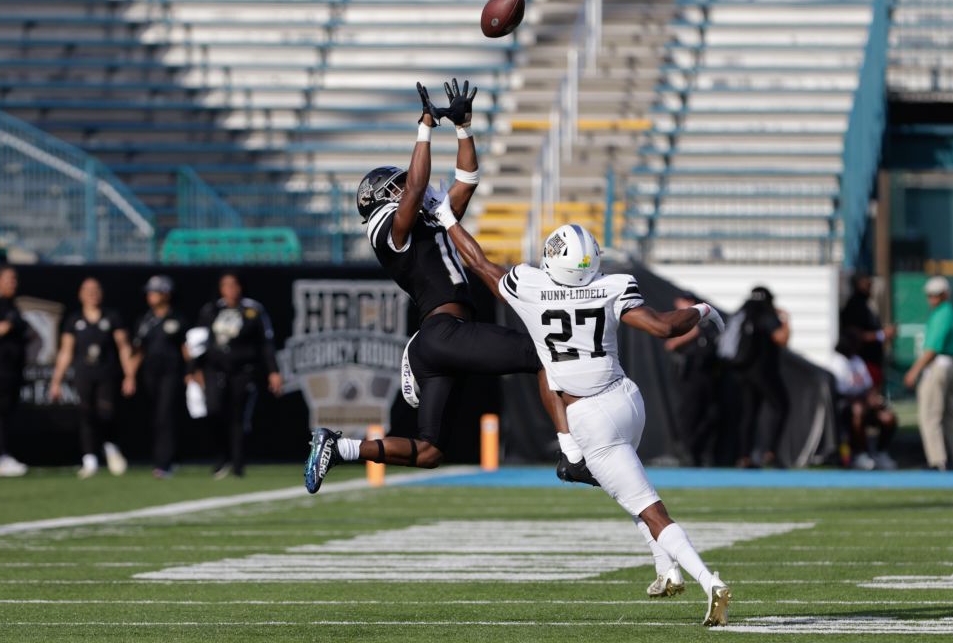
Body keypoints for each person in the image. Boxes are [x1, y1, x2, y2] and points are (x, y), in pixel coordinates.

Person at [438, 216, 732, 626]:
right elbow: (664, 327)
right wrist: (701, 310)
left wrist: (449, 220)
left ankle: (709, 581)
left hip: (589, 416)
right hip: (627, 399)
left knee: (648, 507)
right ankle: (666, 571)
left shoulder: (530, 286)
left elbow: (479, 263)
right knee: (631, 490)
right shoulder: (612, 286)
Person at [305, 79, 595, 492]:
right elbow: (417, 188)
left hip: (438, 341)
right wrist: (425, 126)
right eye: (396, 188)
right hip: (446, 332)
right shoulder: (389, 230)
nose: (405, 187)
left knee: (430, 452)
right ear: (378, 202)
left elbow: (467, 180)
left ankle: (340, 446)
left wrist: (463, 128)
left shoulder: (426, 220)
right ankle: (571, 454)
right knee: (545, 354)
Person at [192, 272, 283, 479]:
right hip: (215, 370)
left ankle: (238, 463)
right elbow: (198, 342)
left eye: (234, 285)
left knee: (238, 417)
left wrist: (273, 371)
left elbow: (266, 343)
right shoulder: (211, 309)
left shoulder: (253, 310)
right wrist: (193, 369)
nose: (231, 290)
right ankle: (222, 455)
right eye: (226, 285)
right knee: (213, 410)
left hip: (243, 371)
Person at [48, 277, 135, 478]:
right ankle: (90, 459)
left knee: (106, 412)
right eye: (87, 290)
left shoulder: (112, 317)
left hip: (107, 374)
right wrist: (56, 381)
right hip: (83, 374)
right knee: (86, 415)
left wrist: (129, 375)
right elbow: (66, 352)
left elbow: (124, 348)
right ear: (80, 294)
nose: (92, 293)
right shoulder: (74, 320)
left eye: (95, 289)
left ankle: (111, 447)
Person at [903, 276, 953, 471]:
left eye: (935, 295)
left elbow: (932, 348)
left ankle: (937, 460)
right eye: (930, 296)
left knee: (930, 414)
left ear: (944, 295)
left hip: (940, 366)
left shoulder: (942, 314)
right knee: (951, 414)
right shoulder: (949, 312)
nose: (932, 299)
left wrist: (913, 371)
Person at [128, 275, 190, 479]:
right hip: (149, 374)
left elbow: (186, 348)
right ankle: (168, 457)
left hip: (171, 373)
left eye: (154, 292)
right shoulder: (145, 320)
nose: (150, 296)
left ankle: (164, 463)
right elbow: (138, 351)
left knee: (165, 415)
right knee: (156, 417)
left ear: (166, 294)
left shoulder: (177, 319)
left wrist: (192, 371)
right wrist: (129, 376)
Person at [727, 286, 791, 468]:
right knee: (781, 406)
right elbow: (782, 339)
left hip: (742, 371)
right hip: (764, 372)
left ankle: (744, 456)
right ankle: (770, 452)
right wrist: (786, 320)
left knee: (749, 414)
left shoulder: (743, 313)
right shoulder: (766, 315)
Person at [0, 264, 30, 477]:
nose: (13, 283)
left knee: (6, 412)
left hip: (12, 367)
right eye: (9, 279)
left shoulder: (13, 305)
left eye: (15, 279)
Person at [665, 291, 720, 466]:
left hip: (705, 375)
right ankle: (689, 453)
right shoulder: (685, 323)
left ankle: (699, 452)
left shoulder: (700, 320)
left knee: (706, 415)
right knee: (690, 414)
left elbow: (697, 331)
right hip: (690, 376)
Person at [830, 330, 898, 470]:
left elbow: (868, 385)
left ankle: (880, 452)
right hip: (846, 407)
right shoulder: (836, 362)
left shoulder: (857, 360)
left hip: (864, 402)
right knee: (858, 410)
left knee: (888, 417)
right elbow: (840, 392)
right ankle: (860, 453)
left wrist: (874, 399)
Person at [840, 273, 895, 388]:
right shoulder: (855, 305)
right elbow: (855, 334)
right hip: (864, 362)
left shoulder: (865, 304)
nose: (870, 286)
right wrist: (881, 335)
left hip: (870, 361)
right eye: (866, 283)